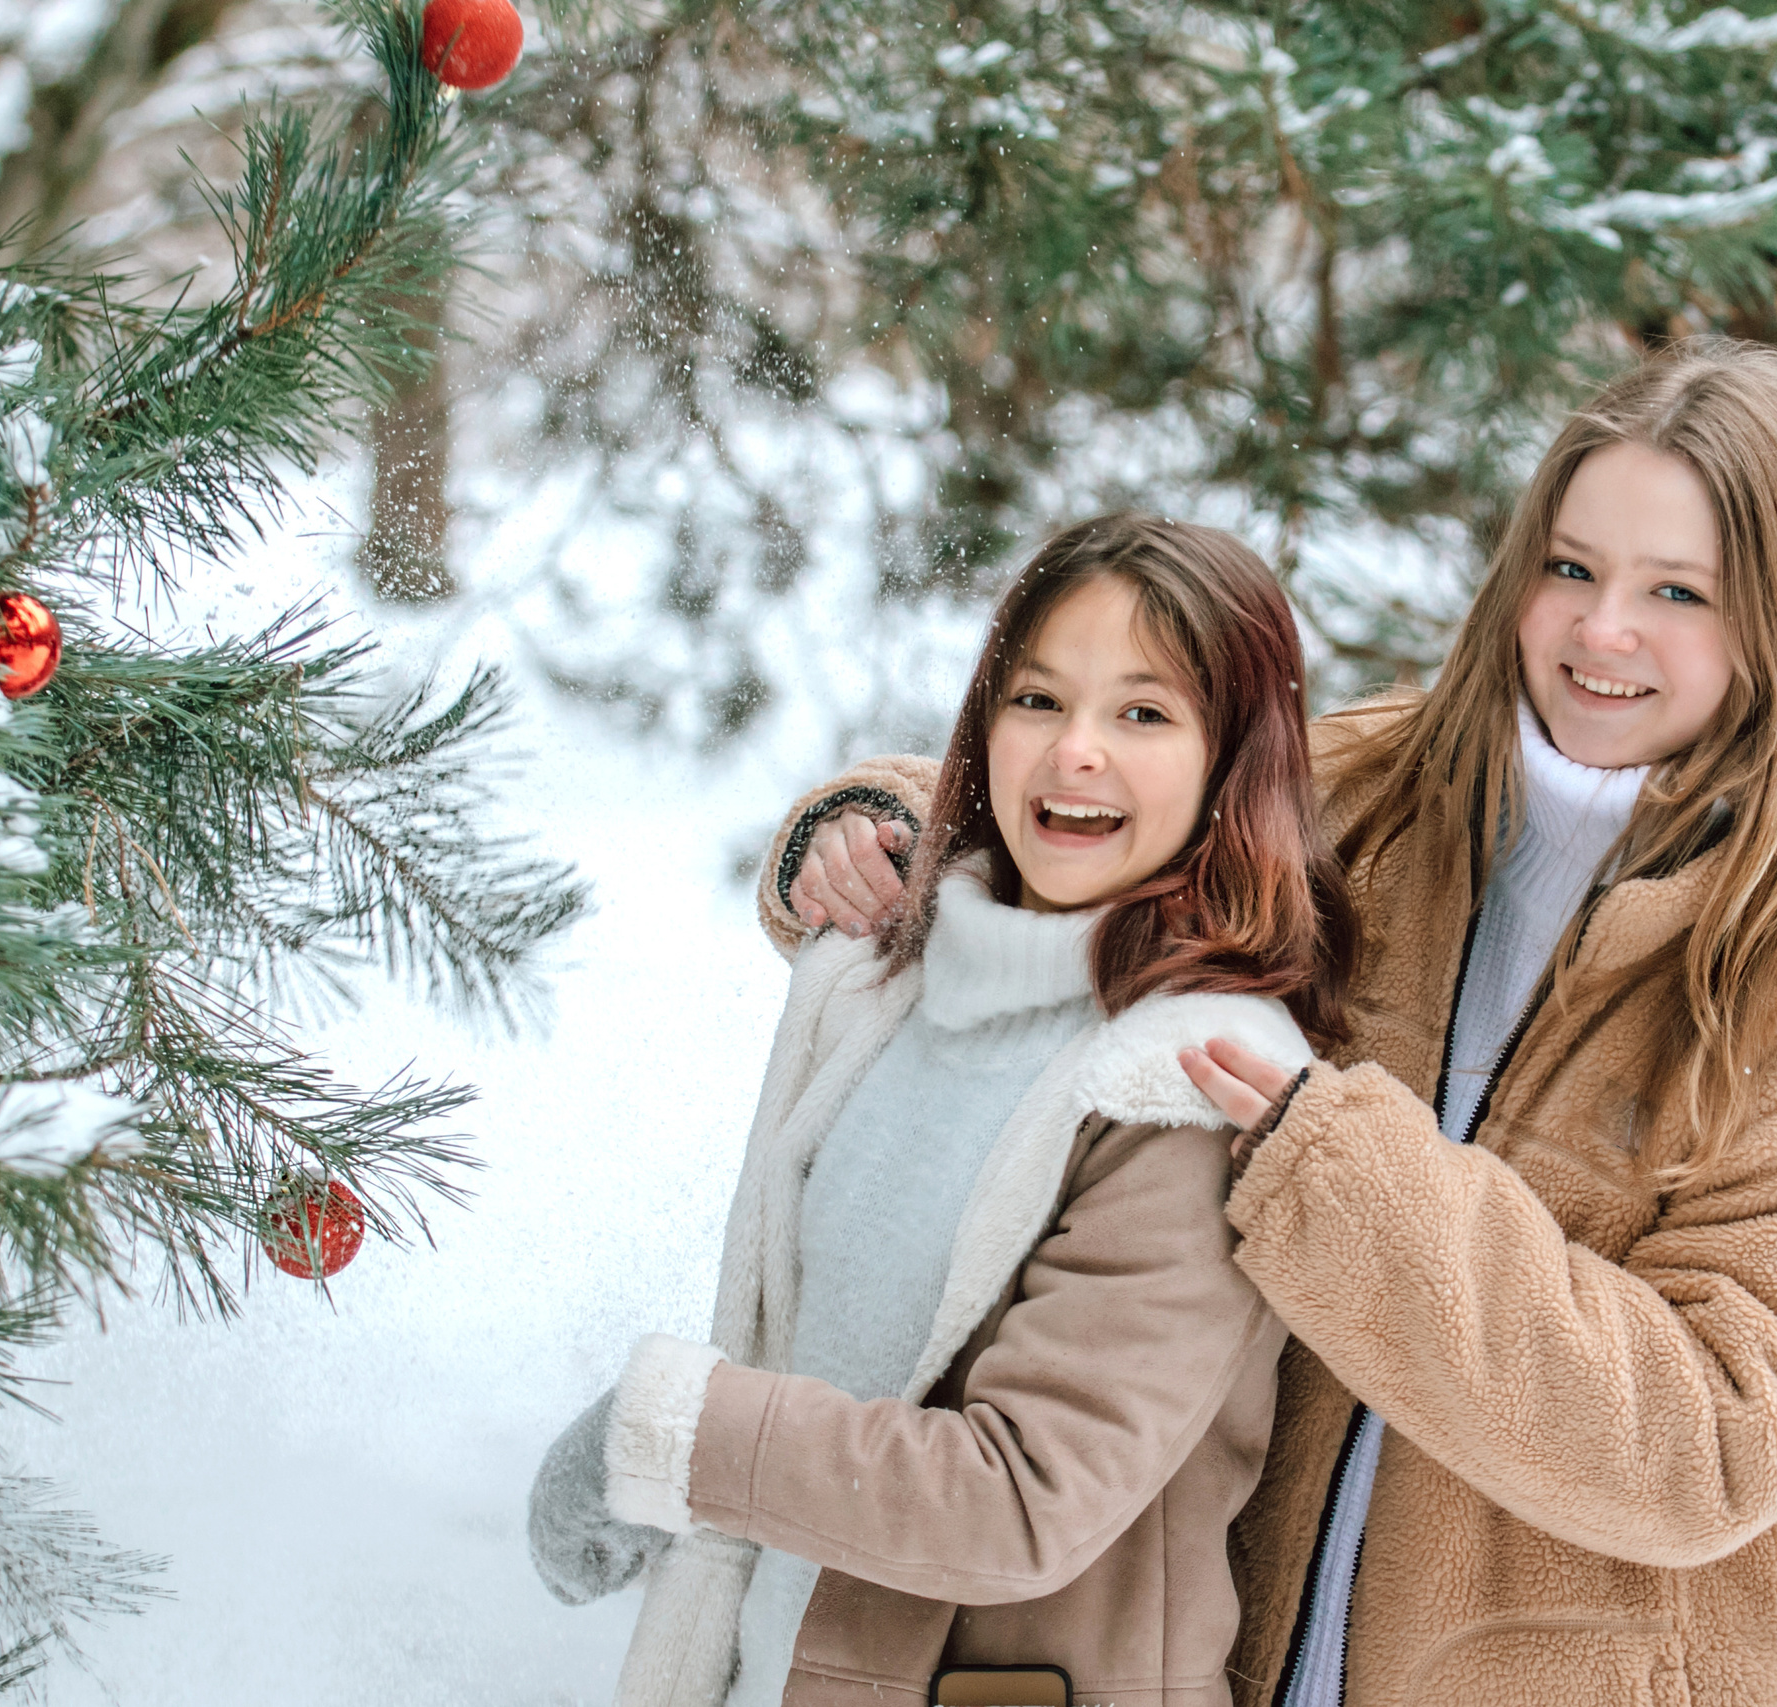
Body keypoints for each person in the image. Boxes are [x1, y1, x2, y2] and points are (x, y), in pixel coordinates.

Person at [768, 339, 1777, 1707]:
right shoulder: (1382, 801)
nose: (1601, 630)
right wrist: (873, 831)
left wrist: (1341, 1170)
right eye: (1572, 567)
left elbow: (1707, 1443)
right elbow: (1109, 788)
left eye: (1679, 592)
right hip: (1248, 1647)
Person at [528, 513, 1361, 1707]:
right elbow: (804, 1347)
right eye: (1037, 701)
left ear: (1234, 765)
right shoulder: (881, 988)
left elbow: (1017, 1497)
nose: (1075, 753)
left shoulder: (1192, 1086)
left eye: (1143, 713)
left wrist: (669, 1435)